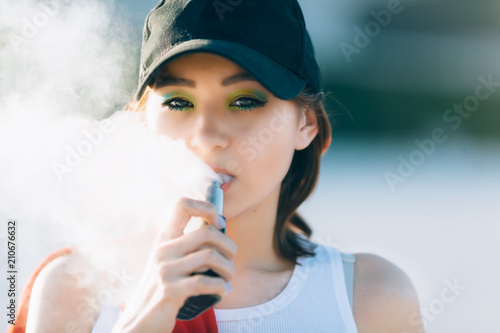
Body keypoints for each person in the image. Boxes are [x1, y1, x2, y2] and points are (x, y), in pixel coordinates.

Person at [18, 0, 424, 332]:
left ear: (306, 124)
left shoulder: (368, 297)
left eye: (245, 101)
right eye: (179, 102)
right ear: (141, 123)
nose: (207, 135)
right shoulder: (75, 289)